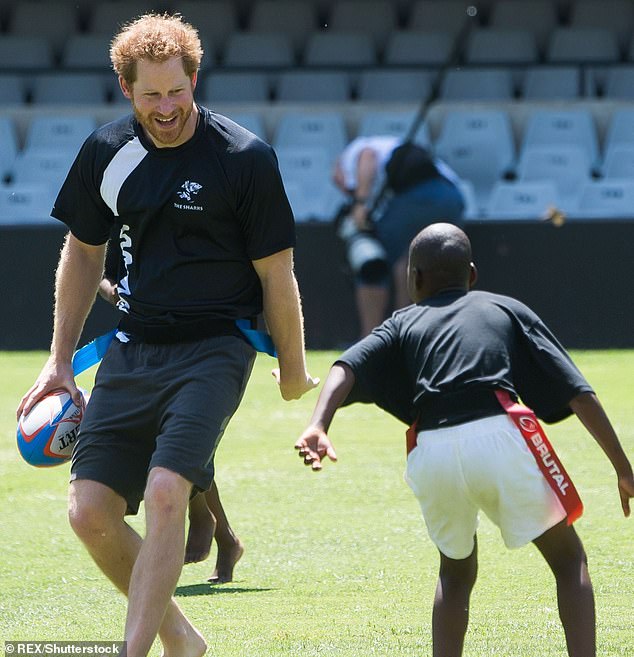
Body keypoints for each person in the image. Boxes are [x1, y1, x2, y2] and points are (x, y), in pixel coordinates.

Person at [18, 13, 318, 657]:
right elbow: (82, 253)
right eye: (150, 94)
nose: (165, 108)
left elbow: (278, 274)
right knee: (89, 512)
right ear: (127, 90)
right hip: (132, 346)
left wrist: (293, 368)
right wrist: (58, 362)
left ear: (194, 79)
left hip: (217, 348)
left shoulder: (245, 159)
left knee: (164, 493)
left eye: (176, 91)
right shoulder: (106, 153)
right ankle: (183, 641)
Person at [294, 223, 634, 657]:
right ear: (472, 275)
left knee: (454, 575)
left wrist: (319, 424)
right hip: (499, 433)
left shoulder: (403, 321)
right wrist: (623, 468)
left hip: (430, 447)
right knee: (570, 562)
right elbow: (577, 391)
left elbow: (347, 366)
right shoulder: (503, 308)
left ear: (412, 278)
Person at [98, 246, 243, 583]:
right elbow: (97, 273)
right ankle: (219, 531)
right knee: (167, 438)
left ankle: (209, 523)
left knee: (179, 436)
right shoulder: (110, 216)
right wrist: (114, 293)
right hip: (140, 339)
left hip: (202, 337)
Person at [333, 135, 465, 337]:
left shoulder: (356, 152)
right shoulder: (393, 150)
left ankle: (374, 337)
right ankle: (416, 331)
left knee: (375, 263)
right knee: (419, 262)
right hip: (452, 198)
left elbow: (367, 157)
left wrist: (359, 204)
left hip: (417, 196)